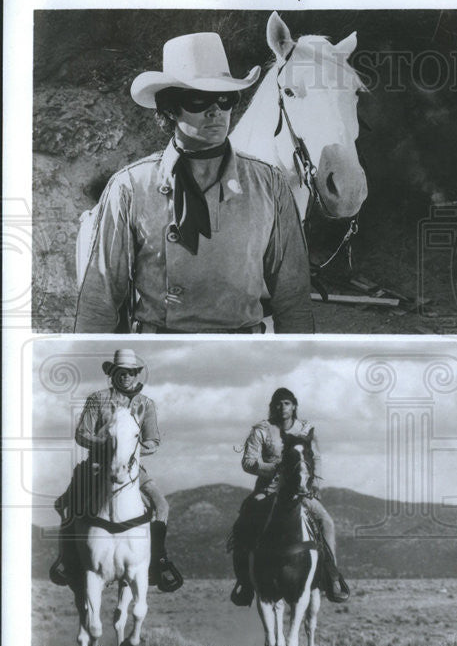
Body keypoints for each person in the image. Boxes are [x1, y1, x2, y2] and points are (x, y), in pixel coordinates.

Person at [75, 31, 314, 334]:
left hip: (242, 360)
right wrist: (91, 373)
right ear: (170, 108)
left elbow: (293, 298)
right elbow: (99, 298)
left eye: (225, 99)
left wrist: (296, 373)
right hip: (159, 360)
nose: (216, 111)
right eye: (198, 99)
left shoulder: (268, 185)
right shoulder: (130, 187)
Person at [50, 349, 182, 592]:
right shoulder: (97, 399)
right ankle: (66, 560)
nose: (126, 376)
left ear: (136, 374)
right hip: (96, 465)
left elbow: (153, 440)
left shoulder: (146, 404)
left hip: (133, 468)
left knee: (161, 506)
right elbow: (82, 434)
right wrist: (107, 444)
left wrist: (134, 449)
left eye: (130, 372)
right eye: (121, 372)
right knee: (67, 505)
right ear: (113, 373)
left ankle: (158, 561)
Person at [229, 388, 350, 605]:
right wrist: (276, 468)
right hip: (268, 491)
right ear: (272, 406)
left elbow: (316, 459)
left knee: (326, 522)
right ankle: (244, 581)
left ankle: (331, 575)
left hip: (301, 490)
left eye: (286, 403)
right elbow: (248, 461)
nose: (282, 407)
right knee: (244, 520)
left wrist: (315, 484)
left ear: (294, 405)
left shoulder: (306, 430)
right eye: (278, 403)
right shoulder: (262, 430)